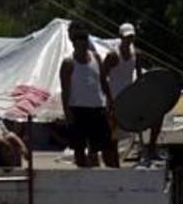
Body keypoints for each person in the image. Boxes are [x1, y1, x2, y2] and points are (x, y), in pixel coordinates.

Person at [60, 22, 119, 168]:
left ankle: (112, 172)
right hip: (78, 109)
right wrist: (67, 113)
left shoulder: (96, 57)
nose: (83, 43)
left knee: (106, 146)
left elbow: (103, 80)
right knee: (79, 150)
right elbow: (65, 91)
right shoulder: (68, 63)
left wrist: (110, 101)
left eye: (85, 39)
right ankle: (83, 176)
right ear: (74, 43)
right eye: (79, 40)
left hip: (97, 108)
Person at [105, 22, 161, 161]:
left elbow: (139, 74)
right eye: (126, 37)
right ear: (120, 37)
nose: (129, 40)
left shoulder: (136, 53)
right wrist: (109, 98)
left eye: (131, 37)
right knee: (114, 132)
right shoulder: (113, 55)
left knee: (157, 115)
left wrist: (142, 92)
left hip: (130, 95)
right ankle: (113, 159)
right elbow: (102, 76)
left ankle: (151, 148)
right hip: (115, 97)